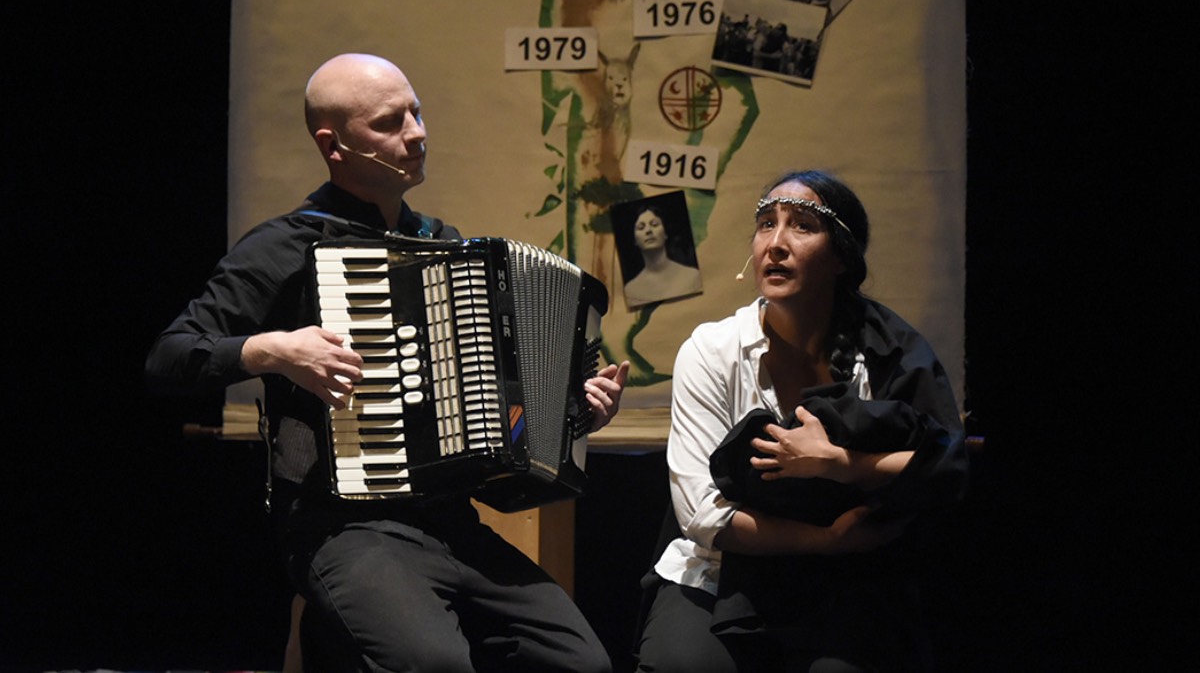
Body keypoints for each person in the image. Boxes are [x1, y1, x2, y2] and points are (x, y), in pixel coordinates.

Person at [145, 53, 629, 673]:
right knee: (434, 664)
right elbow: (169, 356)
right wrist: (274, 350)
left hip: (449, 520)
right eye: (389, 122)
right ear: (334, 145)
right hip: (340, 527)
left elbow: (495, 406)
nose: (417, 133)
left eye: (416, 113)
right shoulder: (285, 246)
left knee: (581, 663)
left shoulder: (444, 247)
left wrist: (572, 414)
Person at [635, 171, 968, 672]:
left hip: (848, 573)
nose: (776, 243)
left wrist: (841, 464)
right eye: (766, 224)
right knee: (684, 664)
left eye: (803, 226)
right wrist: (827, 538)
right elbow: (702, 514)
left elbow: (945, 465)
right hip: (721, 569)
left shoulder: (885, 350)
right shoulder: (713, 350)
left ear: (840, 258)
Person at [621, 205, 703, 307]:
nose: (648, 230)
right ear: (635, 240)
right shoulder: (631, 291)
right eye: (641, 227)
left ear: (665, 233)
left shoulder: (692, 276)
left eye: (654, 224)